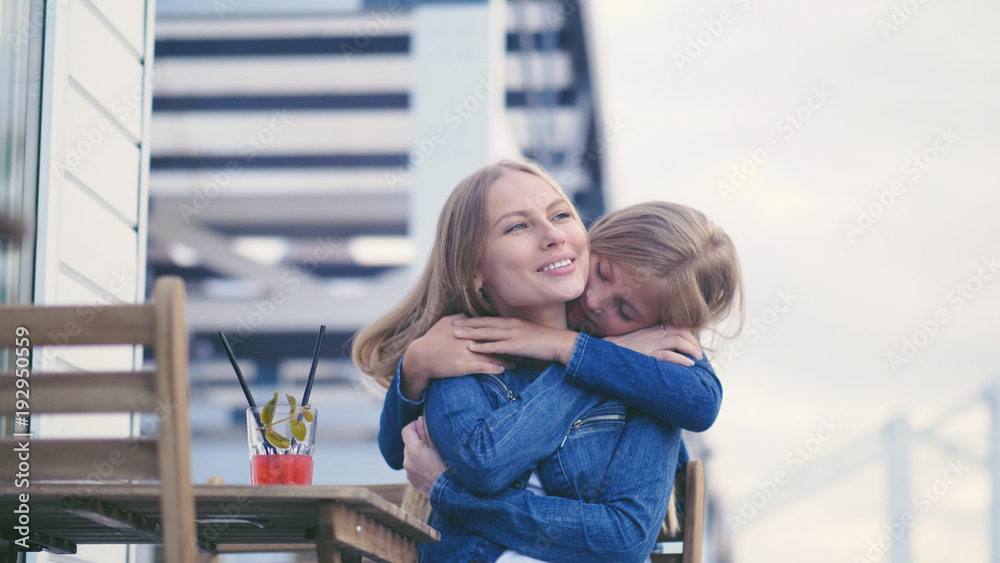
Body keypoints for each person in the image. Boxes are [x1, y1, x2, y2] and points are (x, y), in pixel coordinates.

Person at [353, 161, 743, 561]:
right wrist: (414, 366)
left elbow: (623, 536)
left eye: (560, 214)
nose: (594, 301)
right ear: (474, 268)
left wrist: (569, 348)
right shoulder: (460, 350)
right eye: (517, 226)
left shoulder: (648, 377)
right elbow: (480, 462)